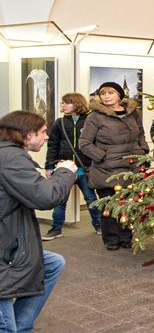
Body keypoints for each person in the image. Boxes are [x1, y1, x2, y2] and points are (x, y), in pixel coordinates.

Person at [0, 111, 78, 333]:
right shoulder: (11, 157)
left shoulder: (8, 154)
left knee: (51, 263)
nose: (46, 137)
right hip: (6, 245)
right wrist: (65, 172)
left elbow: (26, 190)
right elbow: (45, 198)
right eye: (43, 132)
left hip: (10, 238)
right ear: (27, 135)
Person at [78, 82, 149, 251]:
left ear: (119, 95)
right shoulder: (95, 116)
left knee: (128, 205)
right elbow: (84, 143)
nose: (106, 96)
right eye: (103, 93)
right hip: (106, 169)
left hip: (131, 166)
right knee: (108, 207)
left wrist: (144, 152)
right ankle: (111, 239)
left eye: (110, 93)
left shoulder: (133, 113)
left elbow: (140, 134)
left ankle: (126, 237)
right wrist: (102, 156)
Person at [43, 93, 103, 239]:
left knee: (91, 198)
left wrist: (96, 162)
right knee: (60, 200)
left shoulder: (90, 121)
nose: (63, 105)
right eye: (62, 103)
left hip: (84, 167)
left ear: (77, 104)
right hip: (64, 168)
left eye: (66, 103)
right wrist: (49, 166)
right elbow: (52, 145)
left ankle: (99, 225)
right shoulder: (60, 123)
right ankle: (56, 228)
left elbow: (97, 144)